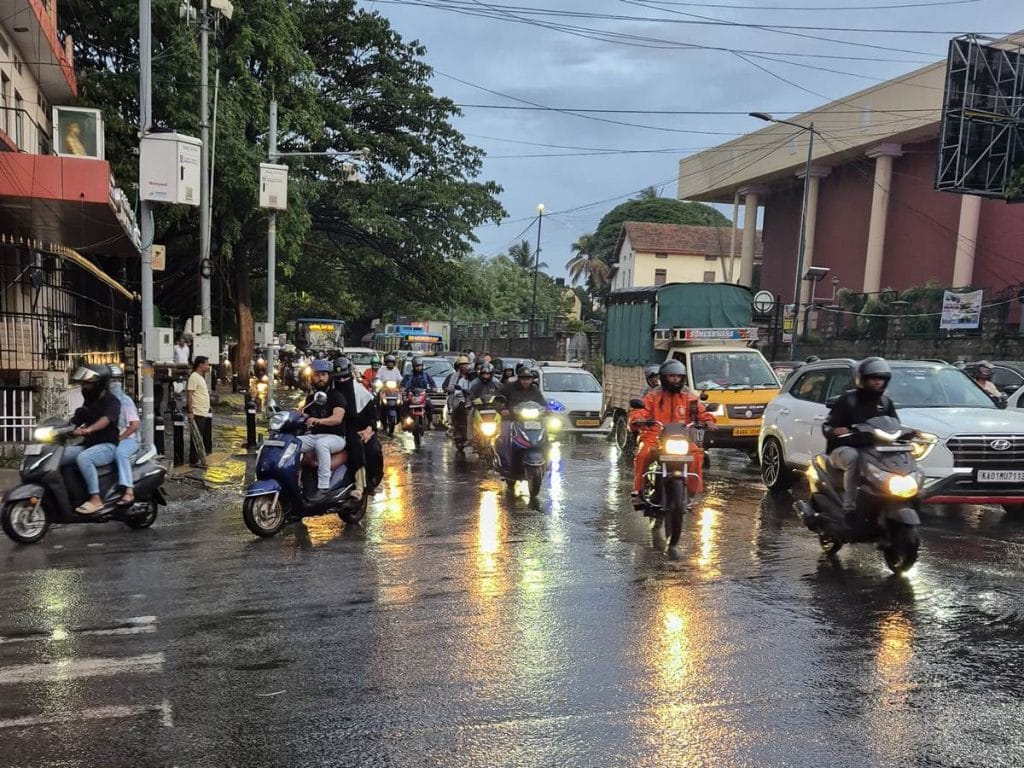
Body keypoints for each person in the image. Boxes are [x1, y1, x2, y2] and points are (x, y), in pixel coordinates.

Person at [631, 359, 716, 509]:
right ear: (664, 377)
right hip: (655, 435)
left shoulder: (689, 397)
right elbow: (641, 410)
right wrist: (638, 418)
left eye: (678, 376)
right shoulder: (653, 396)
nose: (675, 379)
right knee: (643, 454)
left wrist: (708, 421)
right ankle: (638, 491)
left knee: (697, 454)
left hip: (681, 437)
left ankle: (692, 493)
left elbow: (701, 412)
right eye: (671, 376)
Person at [823, 357, 898, 513]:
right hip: (844, 448)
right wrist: (835, 430)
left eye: (882, 379)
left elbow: (894, 423)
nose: (878, 382)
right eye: (873, 378)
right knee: (854, 458)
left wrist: (910, 433)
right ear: (863, 379)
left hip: (873, 449)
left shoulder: (885, 402)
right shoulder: (848, 400)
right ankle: (849, 505)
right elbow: (828, 425)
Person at [62, 365, 121, 515]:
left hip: (107, 446)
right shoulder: (90, 399)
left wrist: (88, 430)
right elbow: (82, 414)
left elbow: (106, 419)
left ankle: (96, 499)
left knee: (84, 458)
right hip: (89, 444)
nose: (84, 386)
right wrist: (67, 427)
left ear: (99, 383)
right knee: (60, 455)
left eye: (87, 383)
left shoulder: (112, 401)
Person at [300, 360, 352, 501]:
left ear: (329, 377)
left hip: (336, 437)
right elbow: (304, 414)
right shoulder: (312, 398)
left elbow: (337, 418)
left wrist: (318, 421)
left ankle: (323, 488)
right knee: (293, 443)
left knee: (321, 444)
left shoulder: (336, 396)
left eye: (323, 375)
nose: (320, 378)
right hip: (315, 435)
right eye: (317, 375)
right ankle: (295, 481)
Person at [333, 357, 381, 496]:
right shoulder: (329, 392)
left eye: (344, 377)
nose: (342, 381)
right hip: (335, 430)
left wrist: (368, 430)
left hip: (360, 429)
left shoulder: (362, 394)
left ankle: (366, 484)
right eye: (338, 378)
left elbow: (372, 417)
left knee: (372, 450)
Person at [109, 365, 140, 505]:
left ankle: (129, 490)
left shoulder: (125, 401)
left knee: (120, 453)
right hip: (110, 438)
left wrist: (120, 438)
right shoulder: (104, 402)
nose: (113, 384)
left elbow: (134, 425)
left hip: (129, 439)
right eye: (110, 381)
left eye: (115, 381)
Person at [186, 356, 213, 466]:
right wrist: (190, 411)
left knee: (200, 436)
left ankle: (198, 458)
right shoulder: (194, 377)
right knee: (196, 437)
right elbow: (189, 394)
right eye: (206, 364)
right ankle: (193, 460)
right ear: (200, 365)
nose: (208, 366)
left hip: (203, 411)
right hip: (197, 411)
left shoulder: (200, 377)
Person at [401, 356, 436, 422]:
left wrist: (433, 388)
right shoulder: (409, 375)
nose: (418, 367)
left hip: (423, 394)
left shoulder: (426, 375)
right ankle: (404, 420)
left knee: (430, 405)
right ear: (413, 366)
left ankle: (430, 421)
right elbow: (403, 385)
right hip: (411, 394)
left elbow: (432, 383)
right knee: (404, 404)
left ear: (422, 366)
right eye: (416, 366)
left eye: (420, 366)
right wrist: (403, 389)